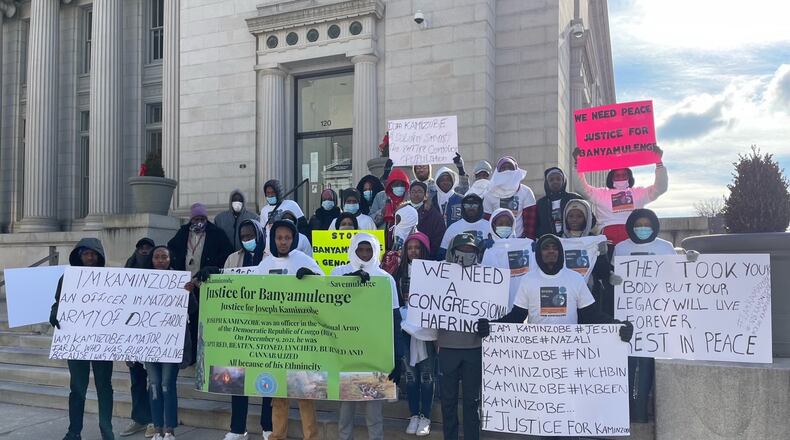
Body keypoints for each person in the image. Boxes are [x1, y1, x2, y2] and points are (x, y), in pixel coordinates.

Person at [476, 234, 635, 440]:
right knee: (543, 415)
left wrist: (617, 327)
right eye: (545, 248)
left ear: (560, 252)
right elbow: (516, 316)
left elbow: (592, 315)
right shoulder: (529, 280)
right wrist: (491, 327)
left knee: (568, 414)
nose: (550, 251)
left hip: (569, 358)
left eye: (554, 248)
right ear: (539, 253)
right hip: (539, 359)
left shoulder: (575, 279)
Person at [611, 208, 698, 423]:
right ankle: (629, 412)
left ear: (654, 226)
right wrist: (613, 278)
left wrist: (692, 263)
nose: (642, 228)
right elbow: (613, 275)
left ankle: (644, 412)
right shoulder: (621, 248)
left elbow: (677, 277)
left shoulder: (665, 247)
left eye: (646, 224)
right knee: (629, 362)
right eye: (638, 224)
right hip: (628, 314)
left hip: (656, 314)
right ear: (631, 226)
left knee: (650, 362)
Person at [255, 219, 322, 440]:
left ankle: (310, 436)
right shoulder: (264, 265)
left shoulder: (304, 260)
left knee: (305, 393)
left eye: (287, 238)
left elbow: (326, 287)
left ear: (294, 239)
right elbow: (248, 291)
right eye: (279, 237)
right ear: (273, 239)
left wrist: (312, 278)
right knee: (278, 395)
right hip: (275, 338)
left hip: (301, 337)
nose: (283, 242)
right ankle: (277, 436)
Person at [331, 233, 400, 440]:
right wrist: (348, 282)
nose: (364, 254)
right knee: (345, 413)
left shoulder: (385, 279)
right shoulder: (338, 273)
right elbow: (328, 305)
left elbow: (394, 319)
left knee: (374, 414)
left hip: (375, 356)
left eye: (368, 250)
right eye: (360, 249)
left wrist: (397, 356)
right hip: (346, 354)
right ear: (352, 250)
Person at [49, 238, 115, 440]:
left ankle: (106, 429)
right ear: (79, 255)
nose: (89, 257)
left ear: (99, 256)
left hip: (102, 341)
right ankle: (74, 431)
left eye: (93, 253)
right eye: (85, 253)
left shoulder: (111, 278)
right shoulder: (67, 278)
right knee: (77, 388)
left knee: (104, 387)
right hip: (76, 341)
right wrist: (54, 312)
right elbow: (59, 301)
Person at [221, 219, 273, 440]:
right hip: (239, 325)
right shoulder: (233, 259)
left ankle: (267, 426)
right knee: (236, 377)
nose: (247, 239)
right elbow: (224, 287)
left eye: (251, 234)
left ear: (260, 234)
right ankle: (237, 428)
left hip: (266, 326)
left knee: (268, 378)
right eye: (243, 236)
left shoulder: (271, 259)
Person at [436, 233, 486, 440]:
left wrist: (488, 325)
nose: (465, 254)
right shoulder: (437, 275)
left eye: (470, 251)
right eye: (461, 250)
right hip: (447, 347)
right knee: (447, 402)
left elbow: (494, 310)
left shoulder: (486, 278)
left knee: (472, 403)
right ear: (451, 252)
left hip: (474, 349)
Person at [145, 245, 197, 440]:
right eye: (156, 257)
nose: (160, 260)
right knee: (155, 385)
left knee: (167, 384)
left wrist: (188, 293)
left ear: (170, 259)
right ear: (152, 260)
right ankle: (157, 428)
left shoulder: (180, 280)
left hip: (171, 342)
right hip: (149, 342)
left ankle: (170, 429)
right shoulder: (143, 281)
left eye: (163, 257)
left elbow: (192, 309)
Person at [168, 202, 232, 361]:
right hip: (186, 284)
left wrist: (210, 268)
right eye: (196, 218)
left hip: (204, 283)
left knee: (200, 320)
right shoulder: (182, 233)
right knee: (186, 319)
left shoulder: (217, 233)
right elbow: (171, 249)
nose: (199, 222)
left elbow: (226, 254)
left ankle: (200, 354)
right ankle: (188, 354)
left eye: (202, 218)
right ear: (191, 219)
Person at [572, 146, 668, 245]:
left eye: (624, 175)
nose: (621, 178)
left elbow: (660, 188)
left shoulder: (639, 193)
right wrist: (577, 164)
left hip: (632, 236)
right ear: (611, 178)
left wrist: (659, 163)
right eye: (617, 175)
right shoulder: (601, 193)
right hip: (607, 238)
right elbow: (581, 188)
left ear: (629, 177)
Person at [394, 232, 436, 437]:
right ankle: (413, 415)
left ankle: (425, 416)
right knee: (411, 376)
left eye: (417, 248)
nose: (413, 251)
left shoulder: (435, 272)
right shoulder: (399, 274)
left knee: (427, 376)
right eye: (409, 248)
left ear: (424, 250)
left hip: (427, 330)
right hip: (406, 329)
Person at [120, 238, 155, 438]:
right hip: (133, 336)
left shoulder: (161, 273)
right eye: (141, 248)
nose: (144, 251)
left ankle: (153, 419)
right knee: (137, 380)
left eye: (148, 248)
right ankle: (139, 418)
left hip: (153, 336)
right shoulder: (128, 268)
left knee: (154, 381)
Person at [561, 199, 612, 315]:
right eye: (571, 216)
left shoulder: (595, 240)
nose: (574, 219)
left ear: (587, 218)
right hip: (564, 295)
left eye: (579, 216)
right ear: (565, 218)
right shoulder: (557, 240)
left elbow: (603, 273)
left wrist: (602, 254)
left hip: (590, 295)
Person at [480, 209, 534, 310]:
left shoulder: (525, 246)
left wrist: (536, 251)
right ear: (493, 225)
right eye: (500, 223)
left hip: (521, 303)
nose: (504, 226)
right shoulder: (486, 248)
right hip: (497, 304)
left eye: (508, 224)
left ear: (513, 226)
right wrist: (483, 250)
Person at [483, 156, 537, 239]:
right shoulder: (489, 194)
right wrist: (489, 240)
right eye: (503, 168)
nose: (507, 170)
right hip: (497, 242)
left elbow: (530, 222)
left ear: (516, 171)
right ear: (498, 172)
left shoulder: (526, 192)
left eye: (510, 168)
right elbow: (487, 221)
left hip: (519, 241)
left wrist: (528, 242)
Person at [535, 167, 590, 238]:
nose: (555, 181)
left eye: (558, 179)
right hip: (550, 244)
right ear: (547, 183)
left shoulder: (574, 198)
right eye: (551, 180)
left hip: (573, 240)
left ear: (563, 181)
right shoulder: (541, 203)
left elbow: (590, 219)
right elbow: (536, 225)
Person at [438, 192, 492, 260]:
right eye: (467, 205)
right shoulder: (453, 228)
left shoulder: (490, 226)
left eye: (474, 205)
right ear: (462, 207)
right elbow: (442, 253)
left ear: (480, 207)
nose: (471, 208)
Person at [409, 181, 446, 258]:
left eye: (419, 191)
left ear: (425, 195)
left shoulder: (434, 214)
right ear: (409, 194)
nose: (416, 194)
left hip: (426, 258)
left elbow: (438, 238)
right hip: (405, 258)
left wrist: (427, 254)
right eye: (413, 191)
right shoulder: (403, 211)